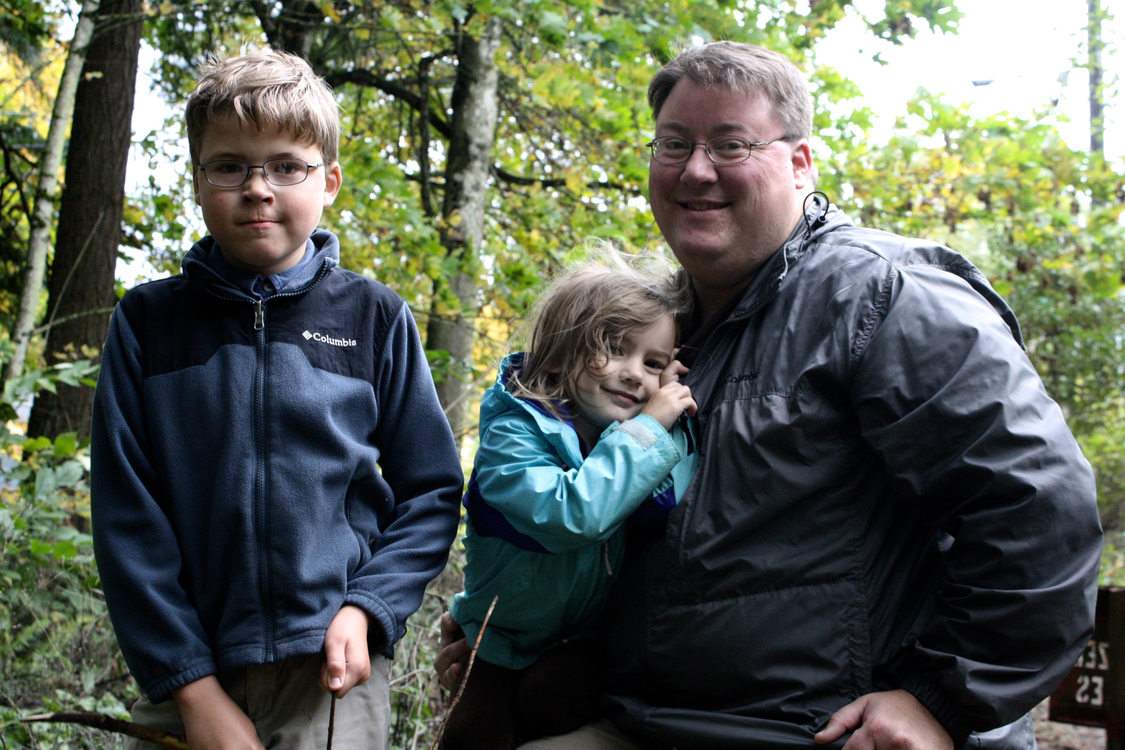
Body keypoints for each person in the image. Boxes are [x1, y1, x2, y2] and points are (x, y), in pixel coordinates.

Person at [437, 41, 1103, 749]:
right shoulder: (651, 333)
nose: (696, 169)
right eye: (673, 143)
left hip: (819, 730)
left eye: (731, 144)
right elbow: (594, 508)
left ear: (799, 163)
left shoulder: (880, 296)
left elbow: (1038, 509)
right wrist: (509, 627)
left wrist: (938, 699)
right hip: (639, 714)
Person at [90, 48, 464, 750]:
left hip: (331, 671)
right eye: (229, 166)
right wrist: (192, 689)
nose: (257, 188)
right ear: (198, 182)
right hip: (189, 673)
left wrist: (365, 610)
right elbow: (125, 517)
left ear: (329, 181)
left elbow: (432, 492)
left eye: (286, 166)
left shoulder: (375, 318)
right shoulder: (147, 324)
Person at [439, 252, 698, 750]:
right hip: (494, 639)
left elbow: (671, 496)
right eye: (613, 349)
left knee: (555, 705)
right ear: (559, 352)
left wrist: (673, 420)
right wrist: (649, 427)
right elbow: (570, 514)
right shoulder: (513, 433)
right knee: (475, 734)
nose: (633, 375)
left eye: (654, 365)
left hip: (577, 645)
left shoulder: (626, 440)